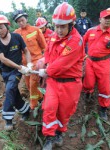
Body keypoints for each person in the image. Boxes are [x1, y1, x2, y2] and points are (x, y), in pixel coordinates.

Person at [38, 2, 85, 149]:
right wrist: (44, 63)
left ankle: (59, 131)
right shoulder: (53, 36)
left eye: (62, 26)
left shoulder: (76, 41)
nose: (58, 30)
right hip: (53, 81)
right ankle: (49, 137)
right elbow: (48, 52)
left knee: (64, 111)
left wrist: (45, 72)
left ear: (71, 25)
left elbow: (62, 63)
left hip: (70, 84)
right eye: (57, 26)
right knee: (49, 108)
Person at [0, 14, 32, 130]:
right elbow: (3, 59)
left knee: (9, 89)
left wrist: (28, 64)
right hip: (5, 71)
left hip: (16, 72)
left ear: (7, 26)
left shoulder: (17, 37)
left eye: (1, 27)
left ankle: (8, 119)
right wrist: (20, 67)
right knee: (13, 92)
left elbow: (26, 51)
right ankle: (26, 110)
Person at [13, 10, 47, 110]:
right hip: (25, 65)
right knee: (28, 85)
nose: (21, 23)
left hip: (37, 61)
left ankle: (33, 105)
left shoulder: (36, 30)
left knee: (33, 84)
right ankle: (41, 98)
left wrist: (46, 61)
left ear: (26, 19)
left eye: (22, 20)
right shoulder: (16, 34)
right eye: (18, 21)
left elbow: (44, 47)